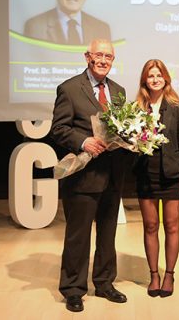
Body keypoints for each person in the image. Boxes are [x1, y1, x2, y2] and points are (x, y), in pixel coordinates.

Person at [50, 39, 126, 312]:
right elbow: (59, 129)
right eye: (99, 55)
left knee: (107, 234)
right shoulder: (69, 89)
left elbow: (121, 128)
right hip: (82, 176)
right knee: (78, 236)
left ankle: (105, 283)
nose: (104, 60)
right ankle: (73, 289)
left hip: (113, 175)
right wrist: (84, 142)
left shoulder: (118, 91)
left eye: (109, 56)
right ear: (87, 57)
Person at [133, 59, 179, 298]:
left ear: (166, 78)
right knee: (150, 226)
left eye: (158, 75)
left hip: (171, 175)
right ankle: (153, 276)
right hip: (145, 173)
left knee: (171, 226)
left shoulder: (177, 107)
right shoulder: (136, 107)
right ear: (144, 80)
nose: (155, 79)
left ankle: (169, 274)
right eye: (150, 76)